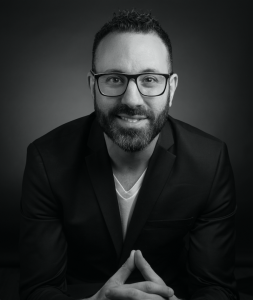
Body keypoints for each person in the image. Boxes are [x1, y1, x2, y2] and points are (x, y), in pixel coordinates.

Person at [19, 9, 239, 300]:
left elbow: (216, 288)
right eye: (114, 79)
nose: (131, 99)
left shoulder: (210, 161)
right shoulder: (46, 159)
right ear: (92, 86)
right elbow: (38, 289)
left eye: (149, 79)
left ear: (171, 88)